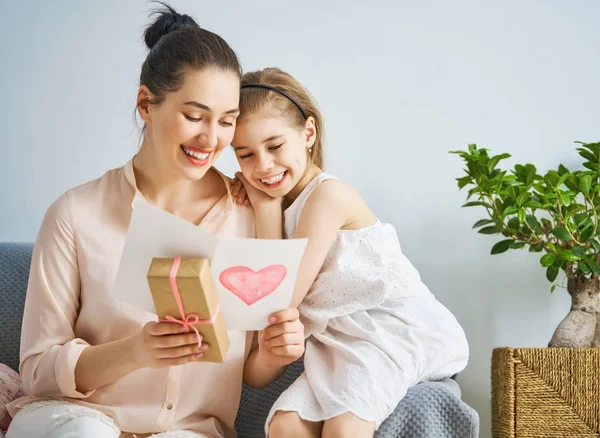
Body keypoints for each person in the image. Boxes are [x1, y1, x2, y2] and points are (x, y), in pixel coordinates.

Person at [6, 7, 304, 438]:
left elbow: (253, 368)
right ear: (146, 103)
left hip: (190, 431)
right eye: (194, 115)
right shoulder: (76, 213)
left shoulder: (253, 214)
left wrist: (277, 353)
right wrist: (136, 351)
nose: (211, 139)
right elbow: (36, 370)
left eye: (226, 120)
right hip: (75, 419)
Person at [230, 67, 470, 438]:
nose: (262, 166)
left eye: (275, 146)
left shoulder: (329, 196)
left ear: (308, 133)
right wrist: (268, 206)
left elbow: (280, 299)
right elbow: (265, 320)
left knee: (345, 427)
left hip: (389, 329)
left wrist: (264, 206)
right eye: (245, 155)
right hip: (337, 343)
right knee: (284, 426)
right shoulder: (279, 207)